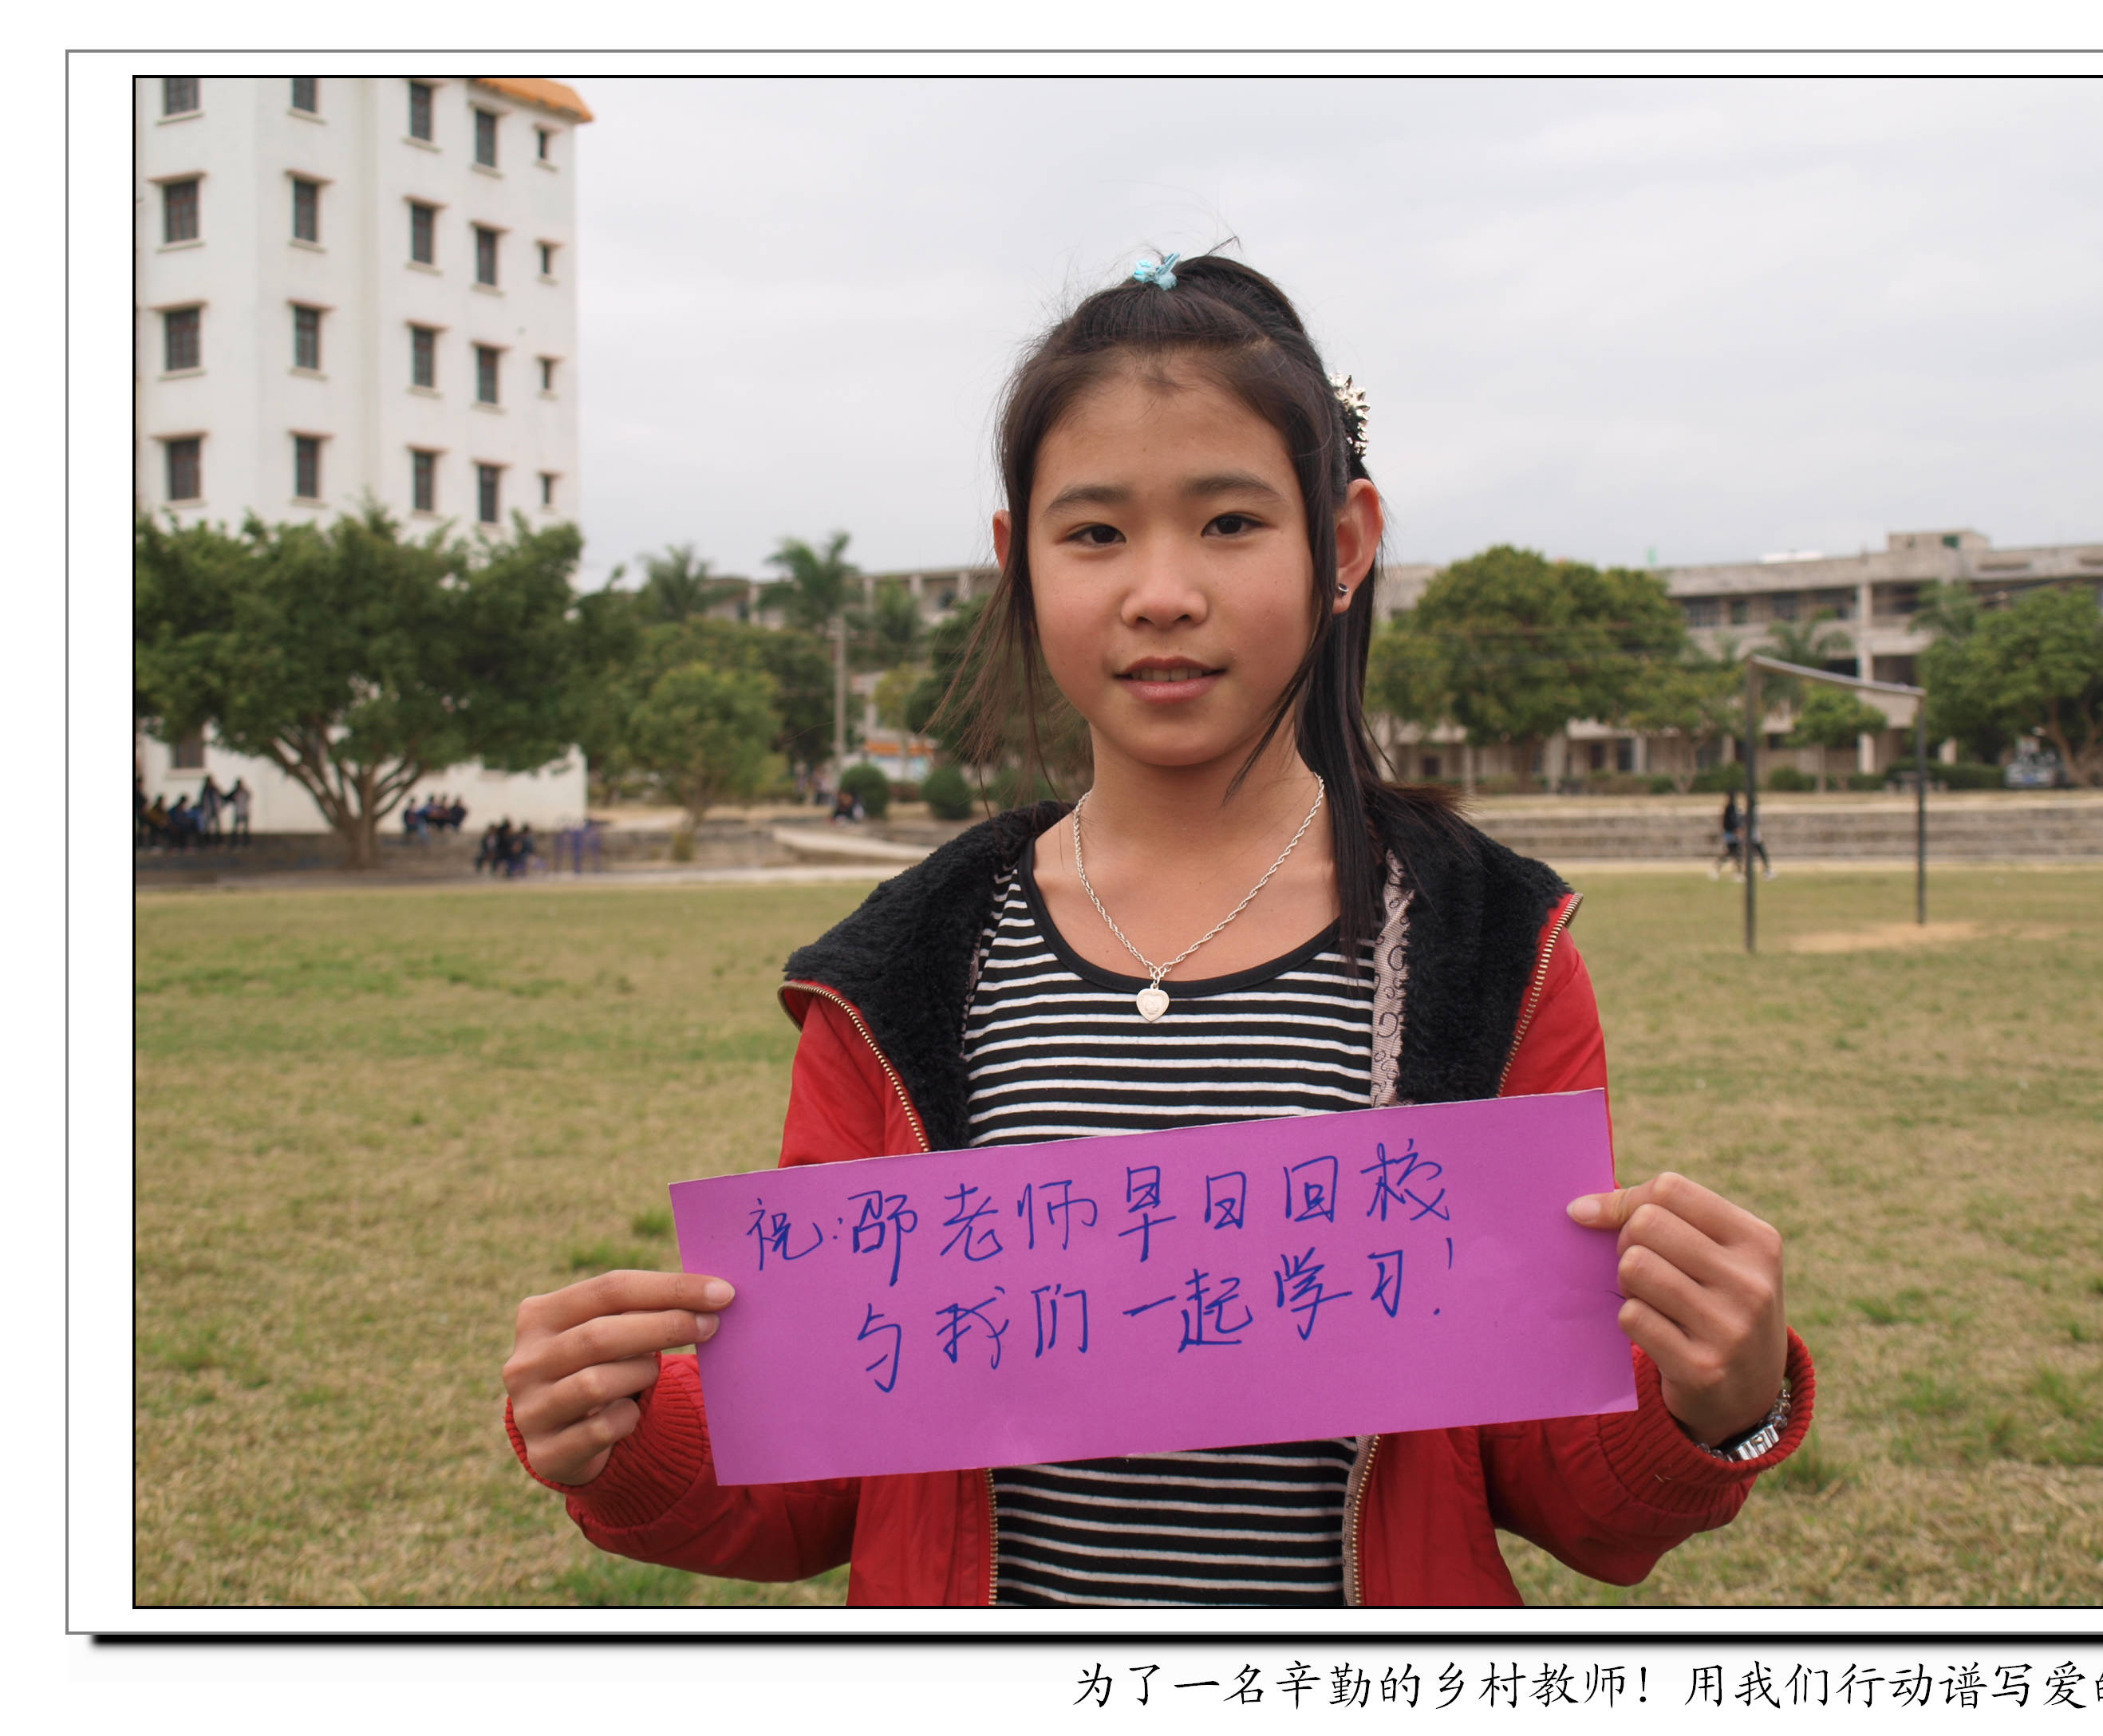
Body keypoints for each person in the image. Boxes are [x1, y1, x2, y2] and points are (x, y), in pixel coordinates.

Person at [503, 252, 1812, 1608]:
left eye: (1231, 522)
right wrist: (622, 1439)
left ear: (1343, 546)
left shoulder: (1489, 949)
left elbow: (1558, 1476)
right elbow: (833, 1457)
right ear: (1016, 563)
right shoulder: (902, 971)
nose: (1162, 591)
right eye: (1095, 534)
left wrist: (1718, 1399)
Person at [1710, 790, 1744, 880]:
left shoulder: (1732, 808)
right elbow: (1731, 822)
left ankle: (1720, 868)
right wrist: (1737, 830)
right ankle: (1737, 872)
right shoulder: (1730, 808)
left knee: (1733, 852)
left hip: (1731, 833)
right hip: (1731, 833)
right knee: (1734, 852)